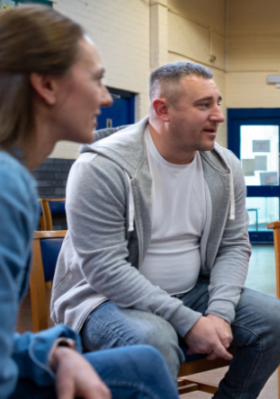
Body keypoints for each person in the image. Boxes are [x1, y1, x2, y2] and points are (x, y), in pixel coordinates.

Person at [50, 61, 280, 398]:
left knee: (278, 321)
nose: (219, 116)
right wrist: (188, 322)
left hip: (192, 289)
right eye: (203, 105)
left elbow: (233, 245)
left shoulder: (225, 167)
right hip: (103, 298)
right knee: (155, 340)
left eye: (218, 102)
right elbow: (104, 268)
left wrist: (220, 313)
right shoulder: (101, 167)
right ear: (162, 109)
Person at [0, 5, 177, 399]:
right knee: (148, 356)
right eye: (97, 80)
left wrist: (53, 351)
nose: (106, 98)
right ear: (46, 85)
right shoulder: (7, 185)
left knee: (143, 365)